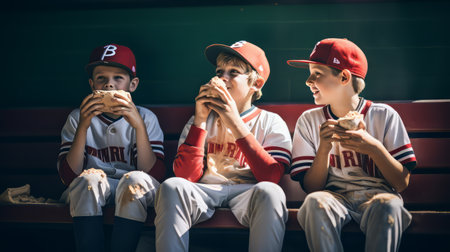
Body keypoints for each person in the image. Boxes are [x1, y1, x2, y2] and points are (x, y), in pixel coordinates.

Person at [154, 41, 292, 252]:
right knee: (172, 186)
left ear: (256, 84)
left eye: (233, 72)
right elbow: (186, 176)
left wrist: (234, 122)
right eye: (219, 72)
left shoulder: (270, 121)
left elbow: (271, 176)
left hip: (249, 192)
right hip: (206, 190)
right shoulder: (200, 118)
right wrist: (200, 119)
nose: (222, 78)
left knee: (271, 192)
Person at [287, 38, 417, 252]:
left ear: (344, 77)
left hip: (379, 195)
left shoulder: (383, 115)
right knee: (314, 202)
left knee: (389, 205)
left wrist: (373, 148)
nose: (308, 81)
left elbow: (401, 183)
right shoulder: (309, 120)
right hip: (333, 197)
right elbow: (312, 188)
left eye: (317, 74)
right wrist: (324, 149)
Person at [57, 43, 165, 252]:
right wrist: (84, 125)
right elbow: (69, 177)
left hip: (133, 189)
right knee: (88, 180)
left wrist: (138, 126)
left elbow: (154, 174)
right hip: (90, 189)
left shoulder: (145, 117)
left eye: (118, 78)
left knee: (134, 180)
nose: (109, 85)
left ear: (132, 85)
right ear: (92, 84)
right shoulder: (77, 118)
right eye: (101, 78)